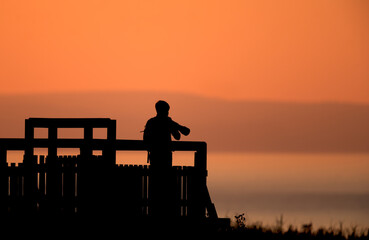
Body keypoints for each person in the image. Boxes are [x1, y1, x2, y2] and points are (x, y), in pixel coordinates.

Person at [143, 100, 190, 218]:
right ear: (166, 111)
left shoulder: (151, 122)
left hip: (155, 157)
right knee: (166, 186)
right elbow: (180, 136)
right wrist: (174, 126)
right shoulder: (168, 122)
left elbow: (145, 140)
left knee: (155, 185)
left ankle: (154, 211)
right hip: (166, 158)